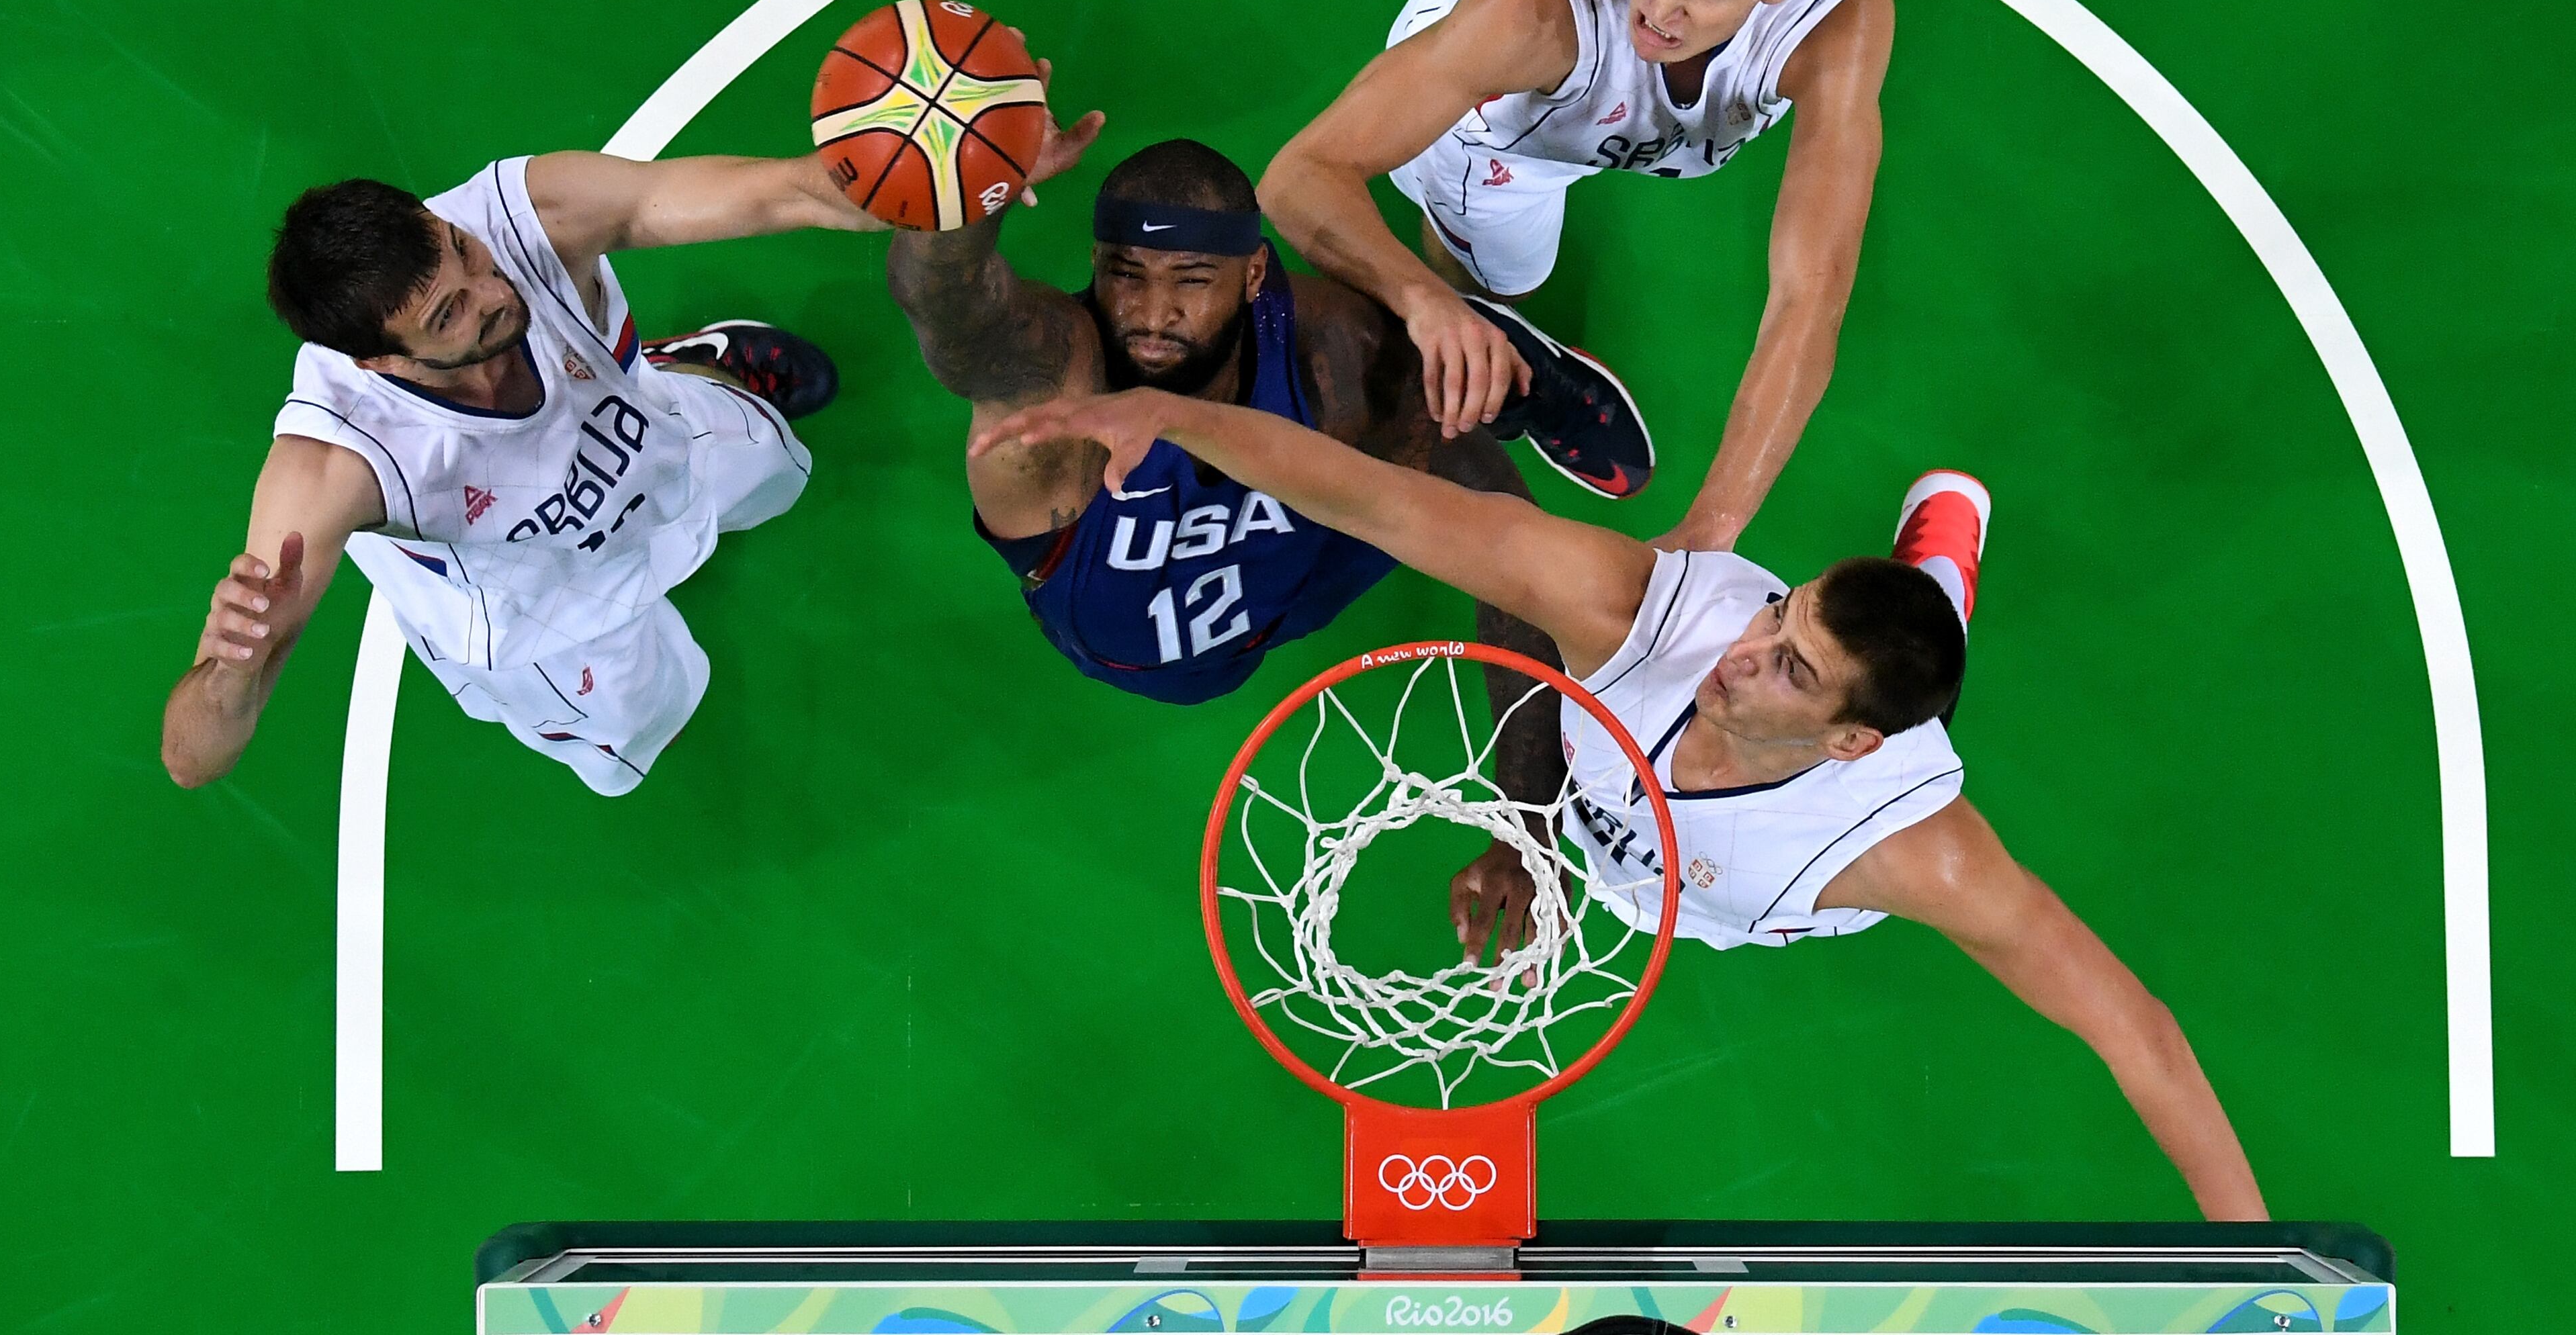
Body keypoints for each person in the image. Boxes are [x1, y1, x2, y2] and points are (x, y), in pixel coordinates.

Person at [969, 389, 2267, 1219]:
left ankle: (1943, 552)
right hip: (1644, 823)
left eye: (1791, 667)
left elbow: (2133, 1028)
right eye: (1781, 611)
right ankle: (1907, 573)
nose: (1740, 655)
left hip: (1757, 879)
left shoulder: (1911, 852)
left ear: (1851, 740)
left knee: (1932, 639)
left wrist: (2251, 1270)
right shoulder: (1644, 611)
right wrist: (1168, 416)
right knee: (1846, 635)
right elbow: (1367, 494)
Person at [161, 139, 924, 796]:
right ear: (380, 358)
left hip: (643, 447)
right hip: (548, 608)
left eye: (462, 250)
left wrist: (943, 177)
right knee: (645, 721)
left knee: (774, 465)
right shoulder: (335, 464)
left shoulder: (530, 215)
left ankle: (680, 363)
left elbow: (780, 191)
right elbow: (192, 758)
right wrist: (231, 671)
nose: (497, 292)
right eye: (449, 315)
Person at [1257, 0, 1890, 541]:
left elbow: (1811, 295)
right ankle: (1503, 348)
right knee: (1500, 288)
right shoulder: (1528, 14)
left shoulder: (1840, 20)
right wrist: (1429, 305)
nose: (1661, 3)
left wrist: (1709, 531)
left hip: (1586, 104)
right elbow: (1297, 176)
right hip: (1485, 121)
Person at [886, 129, 1589, 714]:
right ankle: (1460, 350)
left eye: (1191, 279)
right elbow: (952, 312)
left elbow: (1517, 558)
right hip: (1173, 613)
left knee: (1457, 486)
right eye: (1127, 274)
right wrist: (965, 192)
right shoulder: (1058, 389)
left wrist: (1527, 813)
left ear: (1254, 275)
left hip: (1309, 569)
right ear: (1096, 262)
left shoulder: (1337, 360)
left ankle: (1465, 363)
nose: (1154, 314)